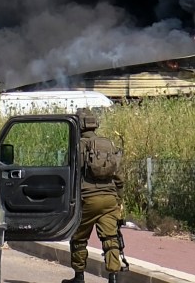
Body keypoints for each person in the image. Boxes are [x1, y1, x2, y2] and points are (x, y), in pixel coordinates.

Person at [69, 110, 126, 283]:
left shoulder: (76, 146)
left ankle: (79, 277)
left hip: (87, 199)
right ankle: (113, 277)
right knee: (111, 238)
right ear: (95, 124)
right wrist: (119, 200)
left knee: (78, 237)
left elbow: (71, 174)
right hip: (109, 199)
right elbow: (119, 177)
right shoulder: (106, 145)